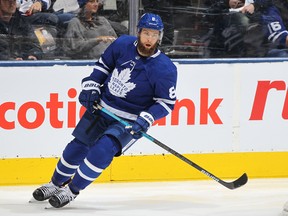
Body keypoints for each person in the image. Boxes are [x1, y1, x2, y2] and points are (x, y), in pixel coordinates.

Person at [31, 12, 177, 208]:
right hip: (102, 108)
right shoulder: (122, 44)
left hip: (128, 122)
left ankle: (71, 190)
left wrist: (147, 118)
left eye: (154, 34)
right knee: (77, 147)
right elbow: (102, 68)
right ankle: (54, 184)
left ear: (160, 35)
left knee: (102, 151)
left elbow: (166, 102)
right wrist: (91, 86)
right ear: (138, 32)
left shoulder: (164, 68)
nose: (150, 39)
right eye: (146, 33)